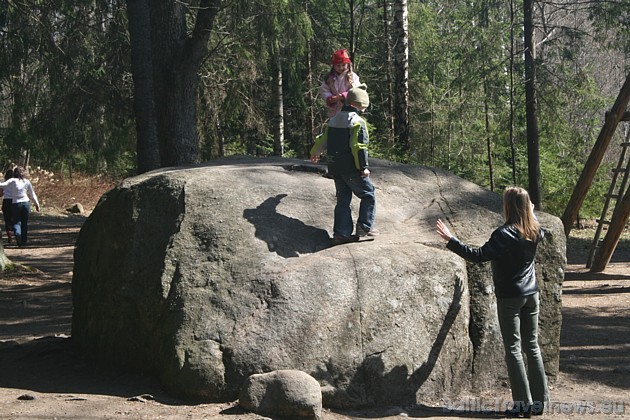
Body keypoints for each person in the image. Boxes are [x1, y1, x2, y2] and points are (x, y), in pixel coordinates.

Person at [436, 187, 548, 418]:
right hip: (531, 295)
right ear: (528, 206)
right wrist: (533, 215)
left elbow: (478, 256)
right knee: (532, 346)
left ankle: (522, 405)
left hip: (510, 298)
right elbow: (540, 229)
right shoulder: (535, 230)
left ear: (508, 206)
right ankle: (540, 402)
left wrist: (451, 240)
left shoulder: (504, 234)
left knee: (514, 349)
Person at [310, 83, 377, 245]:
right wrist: (363, 167)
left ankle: (341, 233)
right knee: (368, 194)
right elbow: (358, 147)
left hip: (335, 167)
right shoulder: (357, 122)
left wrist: (315, 152)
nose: (364, 109)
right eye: (363, 106)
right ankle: (364, 227)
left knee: (343, 200)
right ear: (358, 105)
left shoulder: (333, 120)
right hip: (351, 168)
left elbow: (322, 139)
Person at [0, 166, 41, 246]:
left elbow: (2, 185)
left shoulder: (12, 180)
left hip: (16, 204)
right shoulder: (27, 181)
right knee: (24, 223)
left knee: (16, 222)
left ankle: (18, 235)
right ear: (23, 173)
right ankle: (24, 241)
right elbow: (32, 194)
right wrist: (37, 204)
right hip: (26, 203)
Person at [319, 48, 361, 117]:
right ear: (334, 66)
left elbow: (357, 90)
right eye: (338, 65)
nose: (341, 68)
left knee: (349, 126)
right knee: (335, 126)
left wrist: (343, 96)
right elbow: (324, 89)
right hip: (334, 111)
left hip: (350, 110)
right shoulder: (330, 78)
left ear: (348, 64)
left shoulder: (352, 76)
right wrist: (329, 98)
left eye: (343, 65)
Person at [1, 168, 15, 244]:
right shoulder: (16, 182)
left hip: (6, 201)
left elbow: (0, 194)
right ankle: (16, 233)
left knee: (7, 220)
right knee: (15, 218)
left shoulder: (3, 182)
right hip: (15, 201)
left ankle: (9, 236)